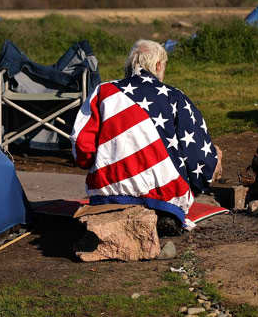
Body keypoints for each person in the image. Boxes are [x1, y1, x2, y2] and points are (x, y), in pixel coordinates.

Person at [71, 39, 222, 230]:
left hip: (107, 192)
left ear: (130, 64)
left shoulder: (103, 91)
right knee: (211, 153)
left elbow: (81, 145)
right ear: (158, 65)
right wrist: (204, 178)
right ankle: (164, 215)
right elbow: (199, 155)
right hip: (165, 194)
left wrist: (94, 163)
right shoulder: (175, 96)